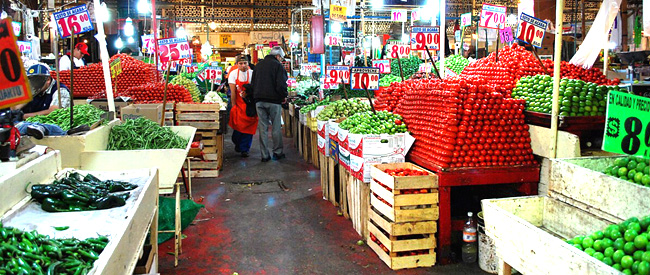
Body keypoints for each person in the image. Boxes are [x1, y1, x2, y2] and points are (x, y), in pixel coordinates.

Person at [11, 64, 87, 139]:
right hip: (31, 124)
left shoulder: (60, 90)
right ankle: (40, 128)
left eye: (37, 81)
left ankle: (54, 130)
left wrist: (25, 116)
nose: (34, 84)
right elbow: (14, 108)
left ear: (48, 80)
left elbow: (53, 111)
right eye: (32, 80)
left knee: (26, 127)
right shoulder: (33, 90)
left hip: (54, 123)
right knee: (18, 126)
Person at [251, 46, 288, 162]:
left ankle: (264, 155)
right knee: (276, 127)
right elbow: (281, 85)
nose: (281, 60)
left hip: (259, 101)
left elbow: (253, 83)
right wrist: (283, 96)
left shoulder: (258, 65)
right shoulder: (278, 66)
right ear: (277, 56)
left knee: (263, 128)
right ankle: (277, 152)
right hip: (274, 101)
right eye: (281, 58)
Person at [228, 55, 258, 157]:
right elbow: (232, 92)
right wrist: (233, 106)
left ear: (248, 63)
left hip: (250, 105)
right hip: (238, 105)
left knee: (249, 128)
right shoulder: (233, 74)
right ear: (237, 64)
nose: (243, 65)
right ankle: (237, 143)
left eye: (245, 63)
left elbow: (256, 89)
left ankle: (245, 149)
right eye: (240, 63)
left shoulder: (253, 74)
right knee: (238, 127)